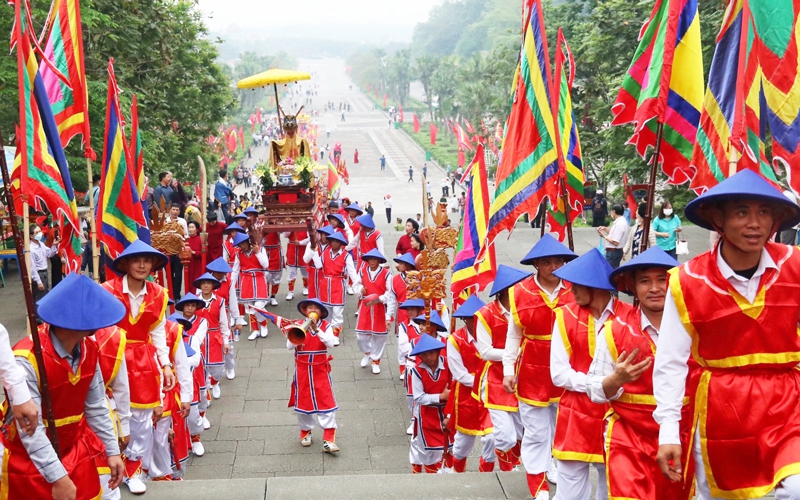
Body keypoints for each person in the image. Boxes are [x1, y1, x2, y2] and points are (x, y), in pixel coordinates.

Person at [653, 170, 800, 499]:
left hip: (788, 403)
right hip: (722, 409)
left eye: (764, 212)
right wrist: (668, 431)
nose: (755, 223)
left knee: (794, 489)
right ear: (718, 219)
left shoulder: (796, 265)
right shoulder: (686, 280)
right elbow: (671, 362)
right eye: (742, 212)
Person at [3, 274, 124, 500]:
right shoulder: (27, 360)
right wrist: (58, 478)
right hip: (28, 461)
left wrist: (112, 451)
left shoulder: (89, 348)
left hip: (73, 450)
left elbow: (96, 406)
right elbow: (31, 432)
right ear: (76, 321)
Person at [586, 247, 694, 500]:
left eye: (662, 280)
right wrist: (615, 380)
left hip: (682, 435)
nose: (655, 288)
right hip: (628, 437)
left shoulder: (696, 328)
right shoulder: (614, 331)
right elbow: (593, 390)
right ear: (633, 287)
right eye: (645, 281)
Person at [550, 248, 633, 500]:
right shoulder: (564, 316)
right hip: (576, 415)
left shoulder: (630, 317)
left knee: (613, 490)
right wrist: (598, 384)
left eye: (576, 285)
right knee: (569, 494)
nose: (570, 290)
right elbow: (558, 374)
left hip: (618, 416)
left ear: (594, 286)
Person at [502, 234, 576, 498]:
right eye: (547, 262)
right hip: (533, 367)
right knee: (534, 429)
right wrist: (508, 370)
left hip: (568, 366)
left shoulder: (576, 288)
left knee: (563, 425)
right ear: (536, 264)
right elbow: (513, 335)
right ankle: (538, 483)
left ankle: (554, 465)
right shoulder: (519, 292)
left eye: (559, 261)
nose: (554, 267)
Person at [101, 241, 174, 494]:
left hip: (144, 361)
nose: (142, 265)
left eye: (147, 260)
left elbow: (158, 332)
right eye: (136, 260)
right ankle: (110, 468)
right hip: (112, 359)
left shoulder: (158, 293)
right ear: (125, 264)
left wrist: (165, 365)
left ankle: (133, 471)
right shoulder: (107, 291)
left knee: (142, 421)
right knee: (112, 416)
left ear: (153, 265)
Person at [475, 265, 532, 472]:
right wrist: (514, 353)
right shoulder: (485, 314)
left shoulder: (525, 311)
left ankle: (508, 464)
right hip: (497, 382)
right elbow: (485, 352)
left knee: (519, 433)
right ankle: (505, 468)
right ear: (507, 290)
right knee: (505, 436)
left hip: (523, 380)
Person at [446, 295, 496, 473]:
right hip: (467, 396)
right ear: (464, 320)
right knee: (463, 442)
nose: (477, 322)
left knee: (492, 437)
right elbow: (460, 374)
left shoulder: (493, 335)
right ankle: (457, 472)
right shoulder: (454, 340)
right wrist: (485, 381)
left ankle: (486, 473)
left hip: (490, 394)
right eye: (473, 319)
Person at [289, 298, 340, 453]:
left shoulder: (326, 326)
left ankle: (329, 439)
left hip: (320, 370)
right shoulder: (297, 324)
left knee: (326, 401)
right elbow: (289, 346)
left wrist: (317, 330)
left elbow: (331, 343)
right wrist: (296, 333)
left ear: (321, 312)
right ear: (305, 310)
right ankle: (305, 432)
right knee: (303, 401)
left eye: (316, 308)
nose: (312, 310)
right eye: (309, 307)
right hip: (302, 370)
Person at [408, 334, 451, 473]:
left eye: (431, 353)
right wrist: (441, 396)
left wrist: (449, 413)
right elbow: (419, 397)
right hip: (427, 415)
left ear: (438, 352)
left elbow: (456, 389)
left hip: (448, 412)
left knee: (453, 447)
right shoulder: (416, 371)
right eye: (424, 355)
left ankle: (449, 475)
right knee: (429, 452)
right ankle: (432, 478)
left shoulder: (450, 365)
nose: (428, 358)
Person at [309, 231, 360, 345]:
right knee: (326, 312)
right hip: (325, 284)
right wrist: (314, 251)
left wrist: (358, 286)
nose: (334, 243)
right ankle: (327, 335)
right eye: (332, 241)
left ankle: (335, 336)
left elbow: (352, 272)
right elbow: (318, 265)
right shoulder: (326, 253)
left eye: (337, 241)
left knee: (337, 312)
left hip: (338, 284)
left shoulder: (346, 255)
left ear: (341, 243)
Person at [355, 249, 393, 374]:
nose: (371, 261)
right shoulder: (363, 271)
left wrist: (379, 299)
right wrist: (360, 289)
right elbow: (356, 284)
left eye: (374, 259)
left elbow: (390, 292)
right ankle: (367, 352)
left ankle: (376, 360)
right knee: (360, 336)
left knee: (379, 336)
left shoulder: (386, 274)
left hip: (380, 307)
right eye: (369, 259)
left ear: (379, 260)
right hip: (365, 306)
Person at [194, 273, 232, 393]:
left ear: (213, 285)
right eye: (203, 284)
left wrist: (226, 341)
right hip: (199, 338)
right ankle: (206, 392)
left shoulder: (220, 301)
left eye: (208, 283)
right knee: (201, 366)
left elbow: (223, 322)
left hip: (214, 337)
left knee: (217, 368)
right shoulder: (194, 301)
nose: (205, 286)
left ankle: (215, 382)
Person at [231, 232, 271, 341]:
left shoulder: (260, 249)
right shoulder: (239, 254)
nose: (241, 247)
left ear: (248, 242)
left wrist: (257, 252)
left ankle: (263, 324)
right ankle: (255, 330)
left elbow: (266, 265)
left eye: (243, 244)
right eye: (239, 245)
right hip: (246, 281)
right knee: (249, 307)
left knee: (258, 305)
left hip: (259, 279)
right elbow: (235, 270)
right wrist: (231, 284)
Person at [29, 224, 59, 301]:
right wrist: (38, 282)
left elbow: (49, 253)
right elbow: (32, 268)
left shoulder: (41, 244)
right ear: (31, 236)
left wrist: (54, 245)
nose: (40, 233)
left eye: (40, 231)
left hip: (45, 273)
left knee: (45, 295)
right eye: (37, 232)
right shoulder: (31, 249)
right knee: (39, 298)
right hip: (39, 274)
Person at [167, 203, 189, 299]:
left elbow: (186, 235)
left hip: (179, 250)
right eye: (173, 209)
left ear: (179, 211)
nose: (175, 211)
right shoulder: (165, 221)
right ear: (170, 210)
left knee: (179, 273)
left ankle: (177, 295)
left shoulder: (182, 221)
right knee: (169, 273)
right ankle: (170, 293)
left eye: (177, 210)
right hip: (168, 250)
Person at [597, 204, 629, 269]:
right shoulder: (621, 221)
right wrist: (605, 229)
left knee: (610, 271)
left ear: (614, 212)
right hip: (615, 252)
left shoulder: (619, 224)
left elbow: (615, 242)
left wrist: (604, 236)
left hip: (613, 252)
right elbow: (615, 235)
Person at [284, 230, 310, 300]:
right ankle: (291, 291)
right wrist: (289, 227)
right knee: (292, 273)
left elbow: (310, 238)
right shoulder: (291, 223)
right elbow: (285, 235)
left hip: (303, 250)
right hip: (292, 249)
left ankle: (306, 287)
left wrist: (301, 242)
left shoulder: (306, 224)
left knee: (305, 272)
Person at [186, 220, 204, 286]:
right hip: (188, 263)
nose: (190, 229)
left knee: (197, 280)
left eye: (192, 227)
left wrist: (194, 252)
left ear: (196, 229)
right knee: (189, 280)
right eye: (189, 227)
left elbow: (204, 252)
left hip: (197, 264)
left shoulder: (200, 239)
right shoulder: (186, 239)